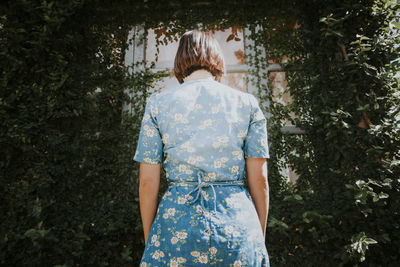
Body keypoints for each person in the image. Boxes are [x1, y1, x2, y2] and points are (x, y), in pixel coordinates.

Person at [133, 29, 270, 266]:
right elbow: (260, 180)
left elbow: (147, 182)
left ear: (179, 60)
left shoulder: (157, 105)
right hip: (238, 225)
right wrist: (257, 237)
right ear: (216, 58)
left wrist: (152, 239)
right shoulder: (247, 104)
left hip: (176, 225)